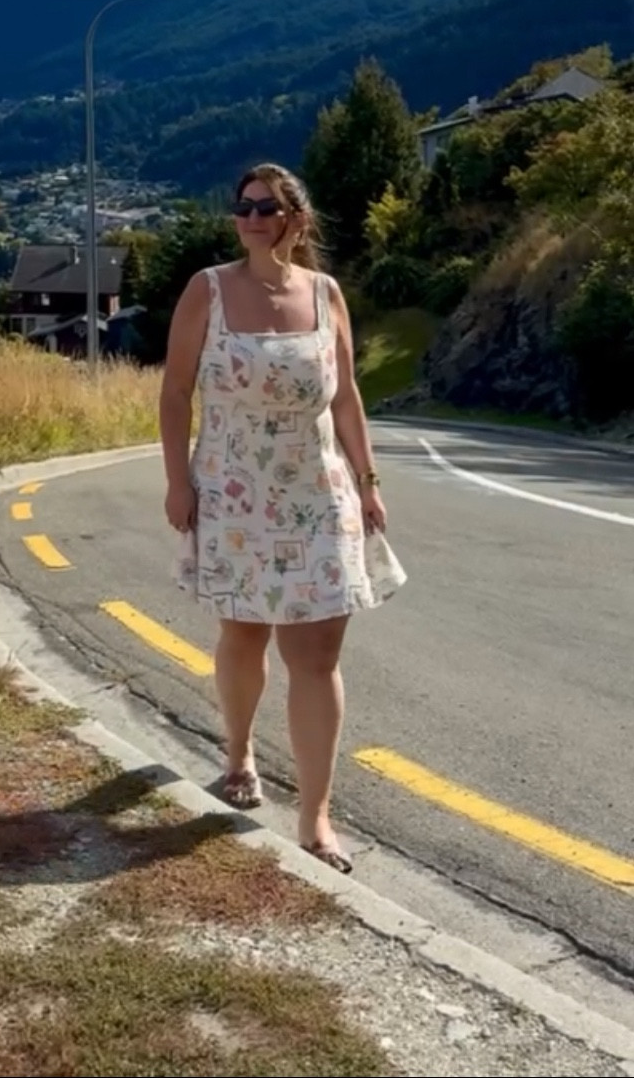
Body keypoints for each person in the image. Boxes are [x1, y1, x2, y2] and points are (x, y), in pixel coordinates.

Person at [159, 162, 397, 874]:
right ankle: (238, 755)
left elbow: (347, 397)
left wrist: (368, 481)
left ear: (298, 218)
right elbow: (174, 395)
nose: (252, 217)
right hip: (233, 493)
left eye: (268, 207)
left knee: (317, 655)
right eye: (243, 206)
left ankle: (315, 816)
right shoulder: (207, 290)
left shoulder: (326, 295)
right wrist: (178, 482)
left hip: (317, 493)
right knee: (245, 630)